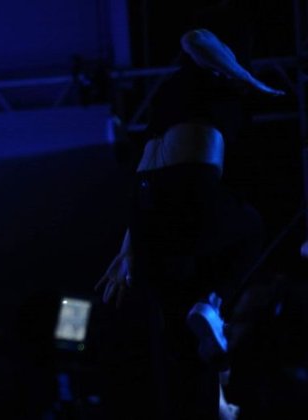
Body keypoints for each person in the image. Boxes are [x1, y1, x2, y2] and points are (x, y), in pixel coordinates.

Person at [94, 12, 285, 420]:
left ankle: (214, 401)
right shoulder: (213, 73)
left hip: (148, 199)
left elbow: (144, 168)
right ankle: (211, 305)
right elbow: (195, 37)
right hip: (189, 186)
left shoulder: (169, 93)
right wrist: (252, 82)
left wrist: (129, 245)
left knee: (178, 328)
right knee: (250, 228)